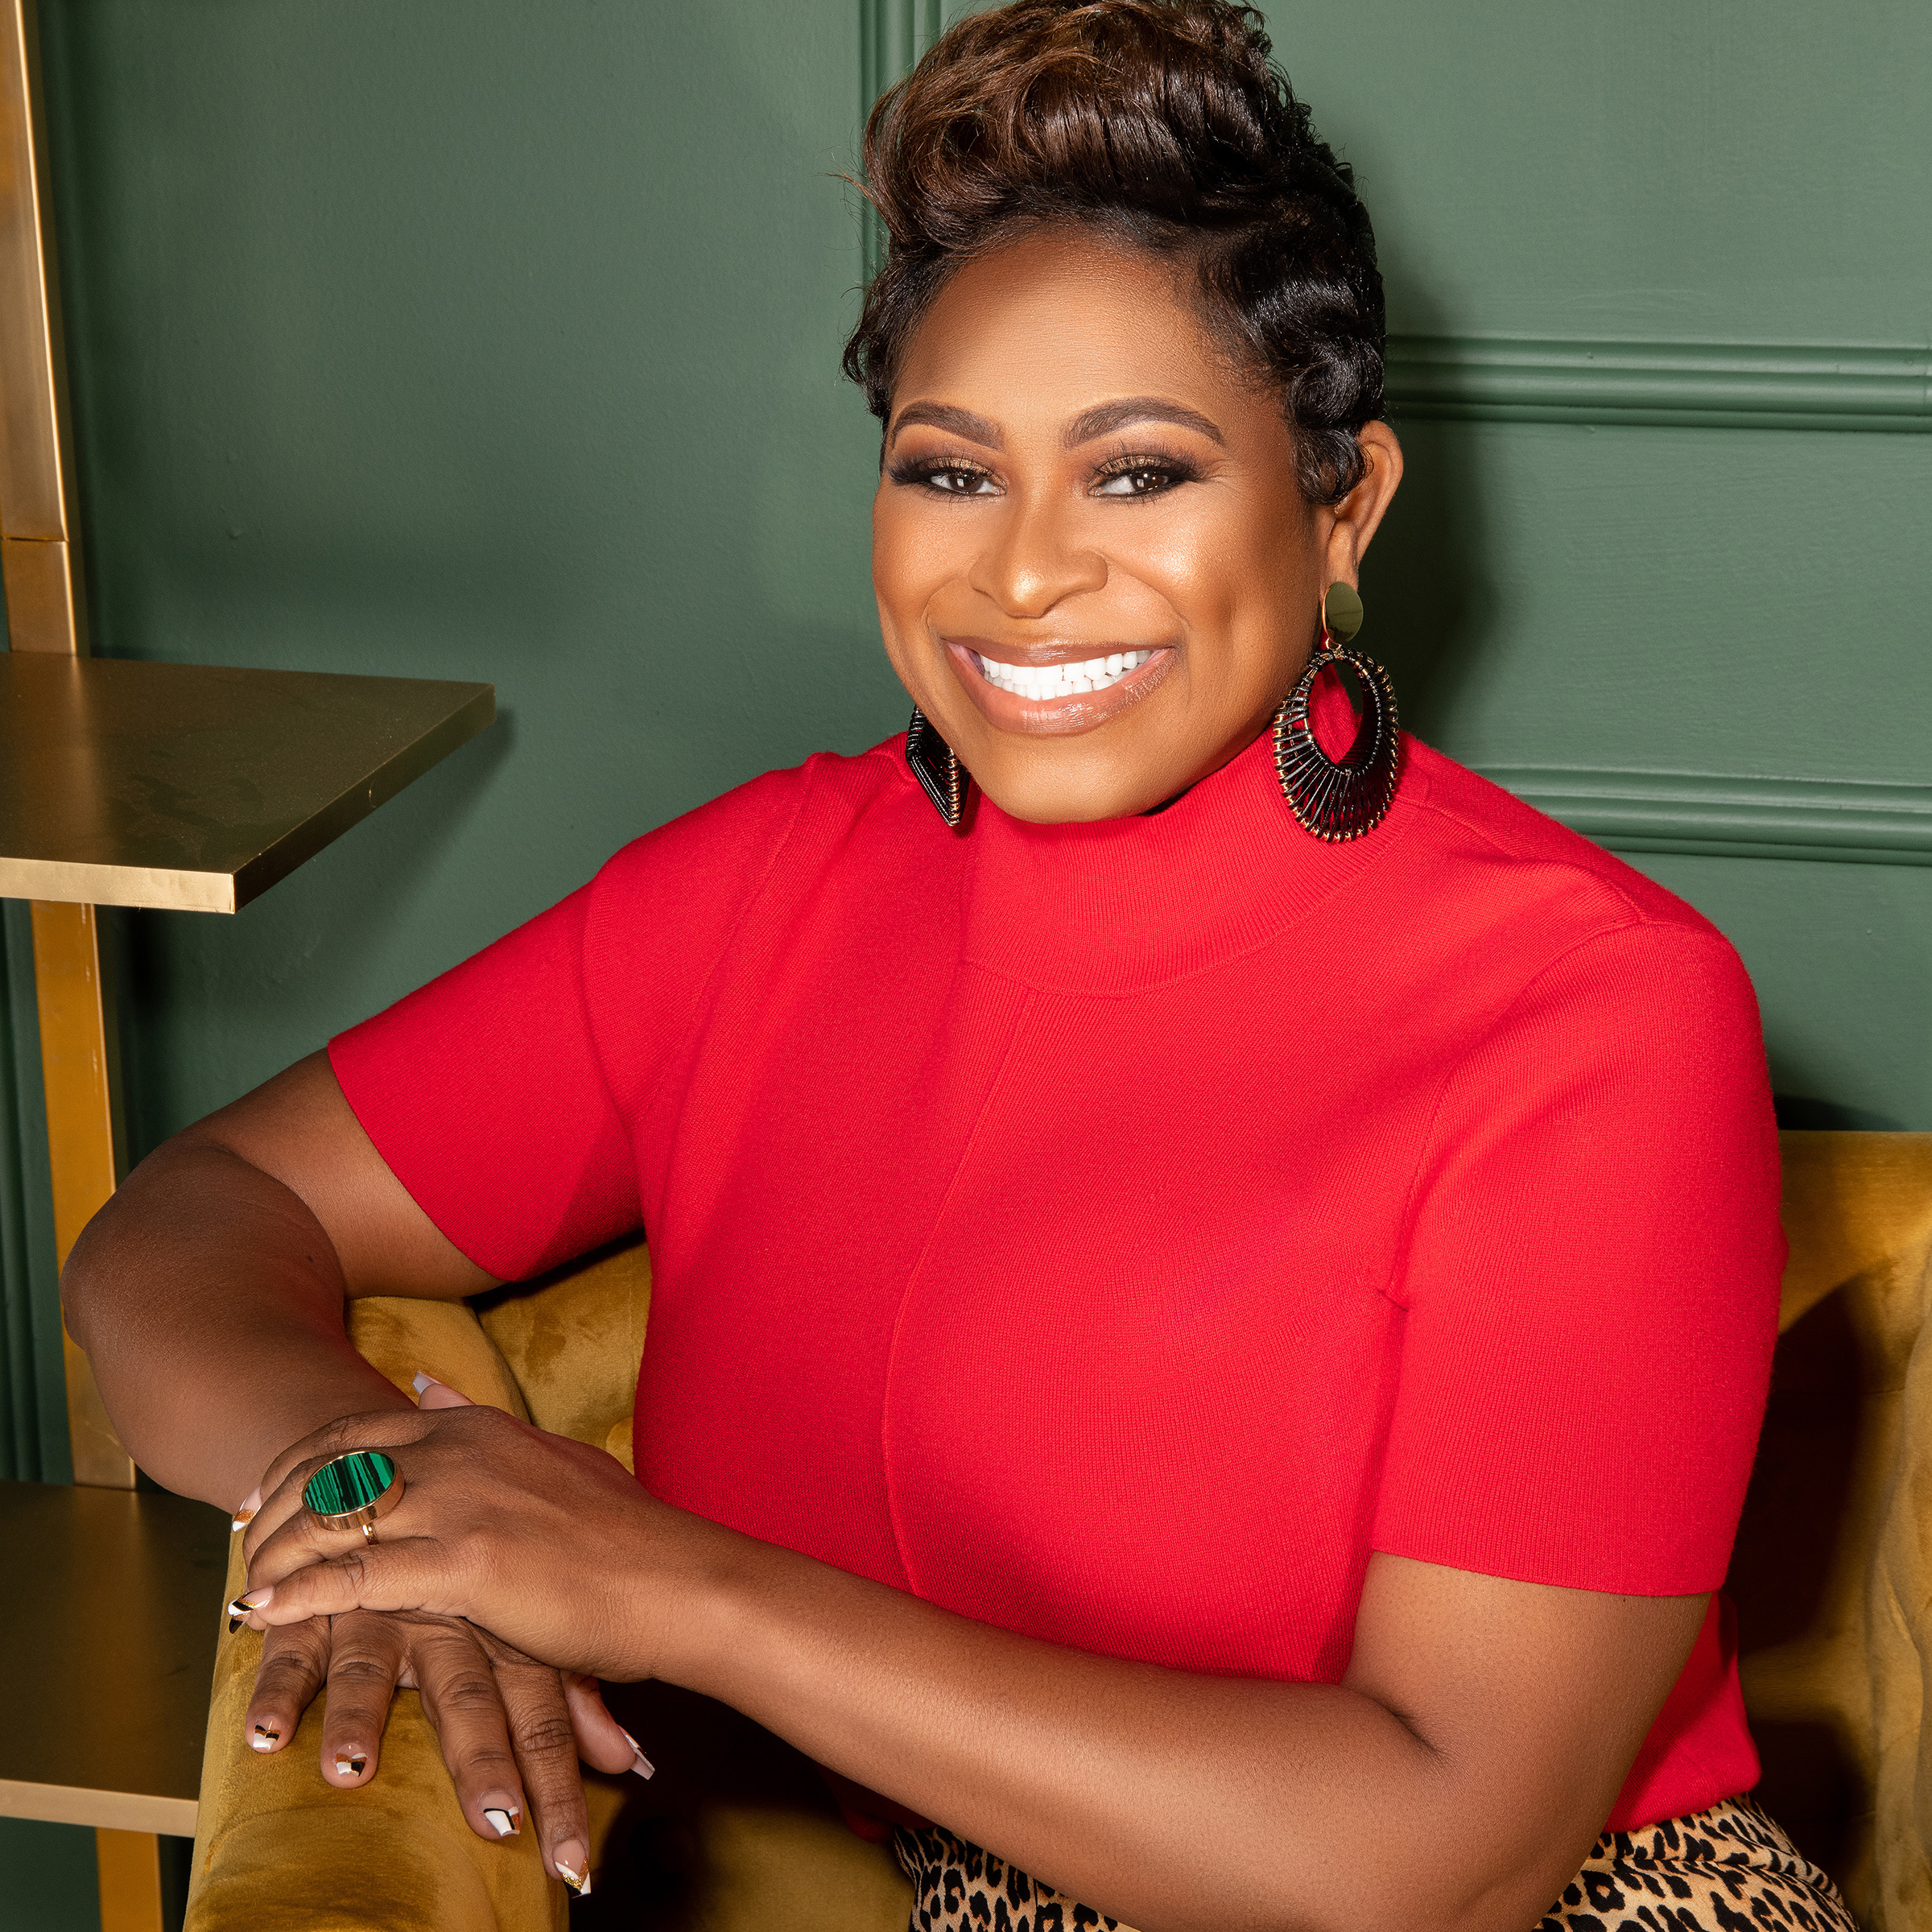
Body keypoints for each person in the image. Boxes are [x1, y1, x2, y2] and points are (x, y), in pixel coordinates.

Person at [64, 4, 1854, 1929]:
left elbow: (1448, 1858)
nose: (1020, 574)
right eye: (949, 469)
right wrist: (364, 1493)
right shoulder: (761, 894)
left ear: (1344, 509)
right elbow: (191, 1217)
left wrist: (662, 1582)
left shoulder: (1596, 1016)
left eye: (1141, 472)